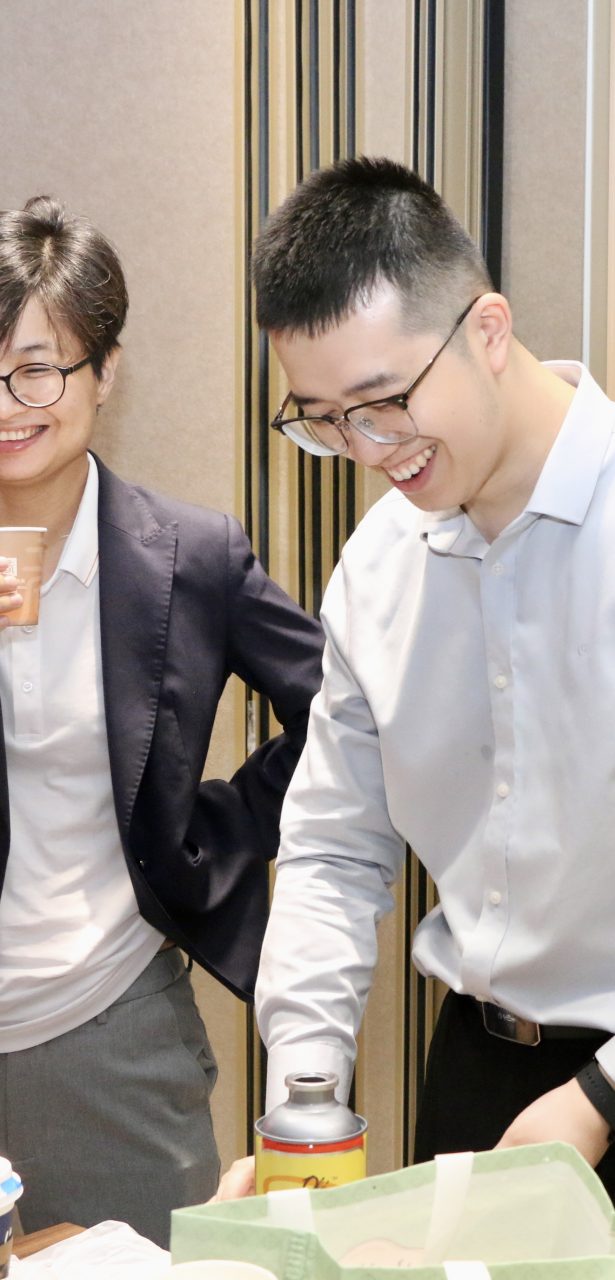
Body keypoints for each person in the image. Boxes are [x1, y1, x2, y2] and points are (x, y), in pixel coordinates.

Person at [216, 154, 615, 1202]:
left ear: (488, 331)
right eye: (323, 418)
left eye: (382, 401)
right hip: (477, 1071)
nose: (365, 448)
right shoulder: (383, 559)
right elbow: (334, 849)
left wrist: (598, 1098)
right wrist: (305, 1101)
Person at [0, 196, 324, 1245]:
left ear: (104, 370)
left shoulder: (188, 557)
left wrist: (213, 828)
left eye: (38, 368)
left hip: (108, 1036)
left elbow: (342, 716)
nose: (10, 404)